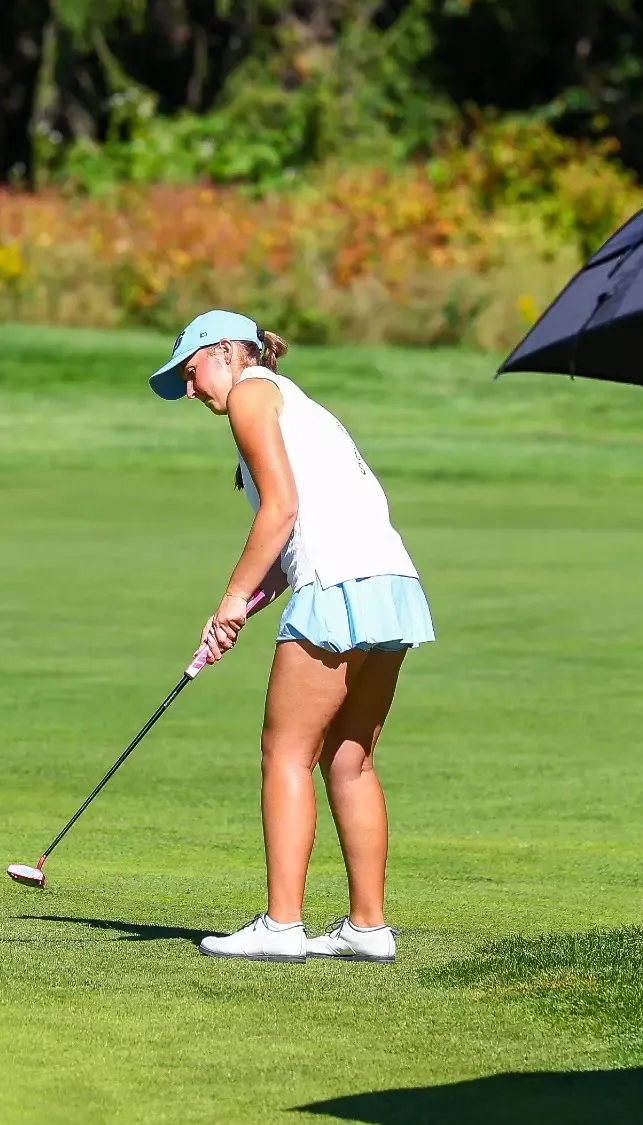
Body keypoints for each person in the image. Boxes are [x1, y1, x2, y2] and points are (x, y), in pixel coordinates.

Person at [146, 309, 433, 964]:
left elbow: (282, 511)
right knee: (348, 758)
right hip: (389, 582)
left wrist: (225, 601)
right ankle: (368, 927)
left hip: (336, 586)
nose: (191, 392)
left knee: (285, 751)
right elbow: (286, 549)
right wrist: (239, 611)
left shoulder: (250, 391)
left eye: (190, 374)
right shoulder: (296, 405)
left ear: (225, 352)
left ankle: (281, 926)